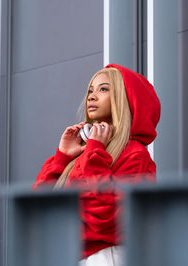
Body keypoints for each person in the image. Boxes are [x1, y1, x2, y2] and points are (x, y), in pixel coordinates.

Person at [32, 63, 161, 266]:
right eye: (90, 90)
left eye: (103, 89)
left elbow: (106, 219)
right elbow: (39, 208)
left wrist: (94, 153)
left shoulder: (134, 154)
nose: (91, 96)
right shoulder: (87, 151)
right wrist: (62, 158)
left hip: (105, 258)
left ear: (124, 98)